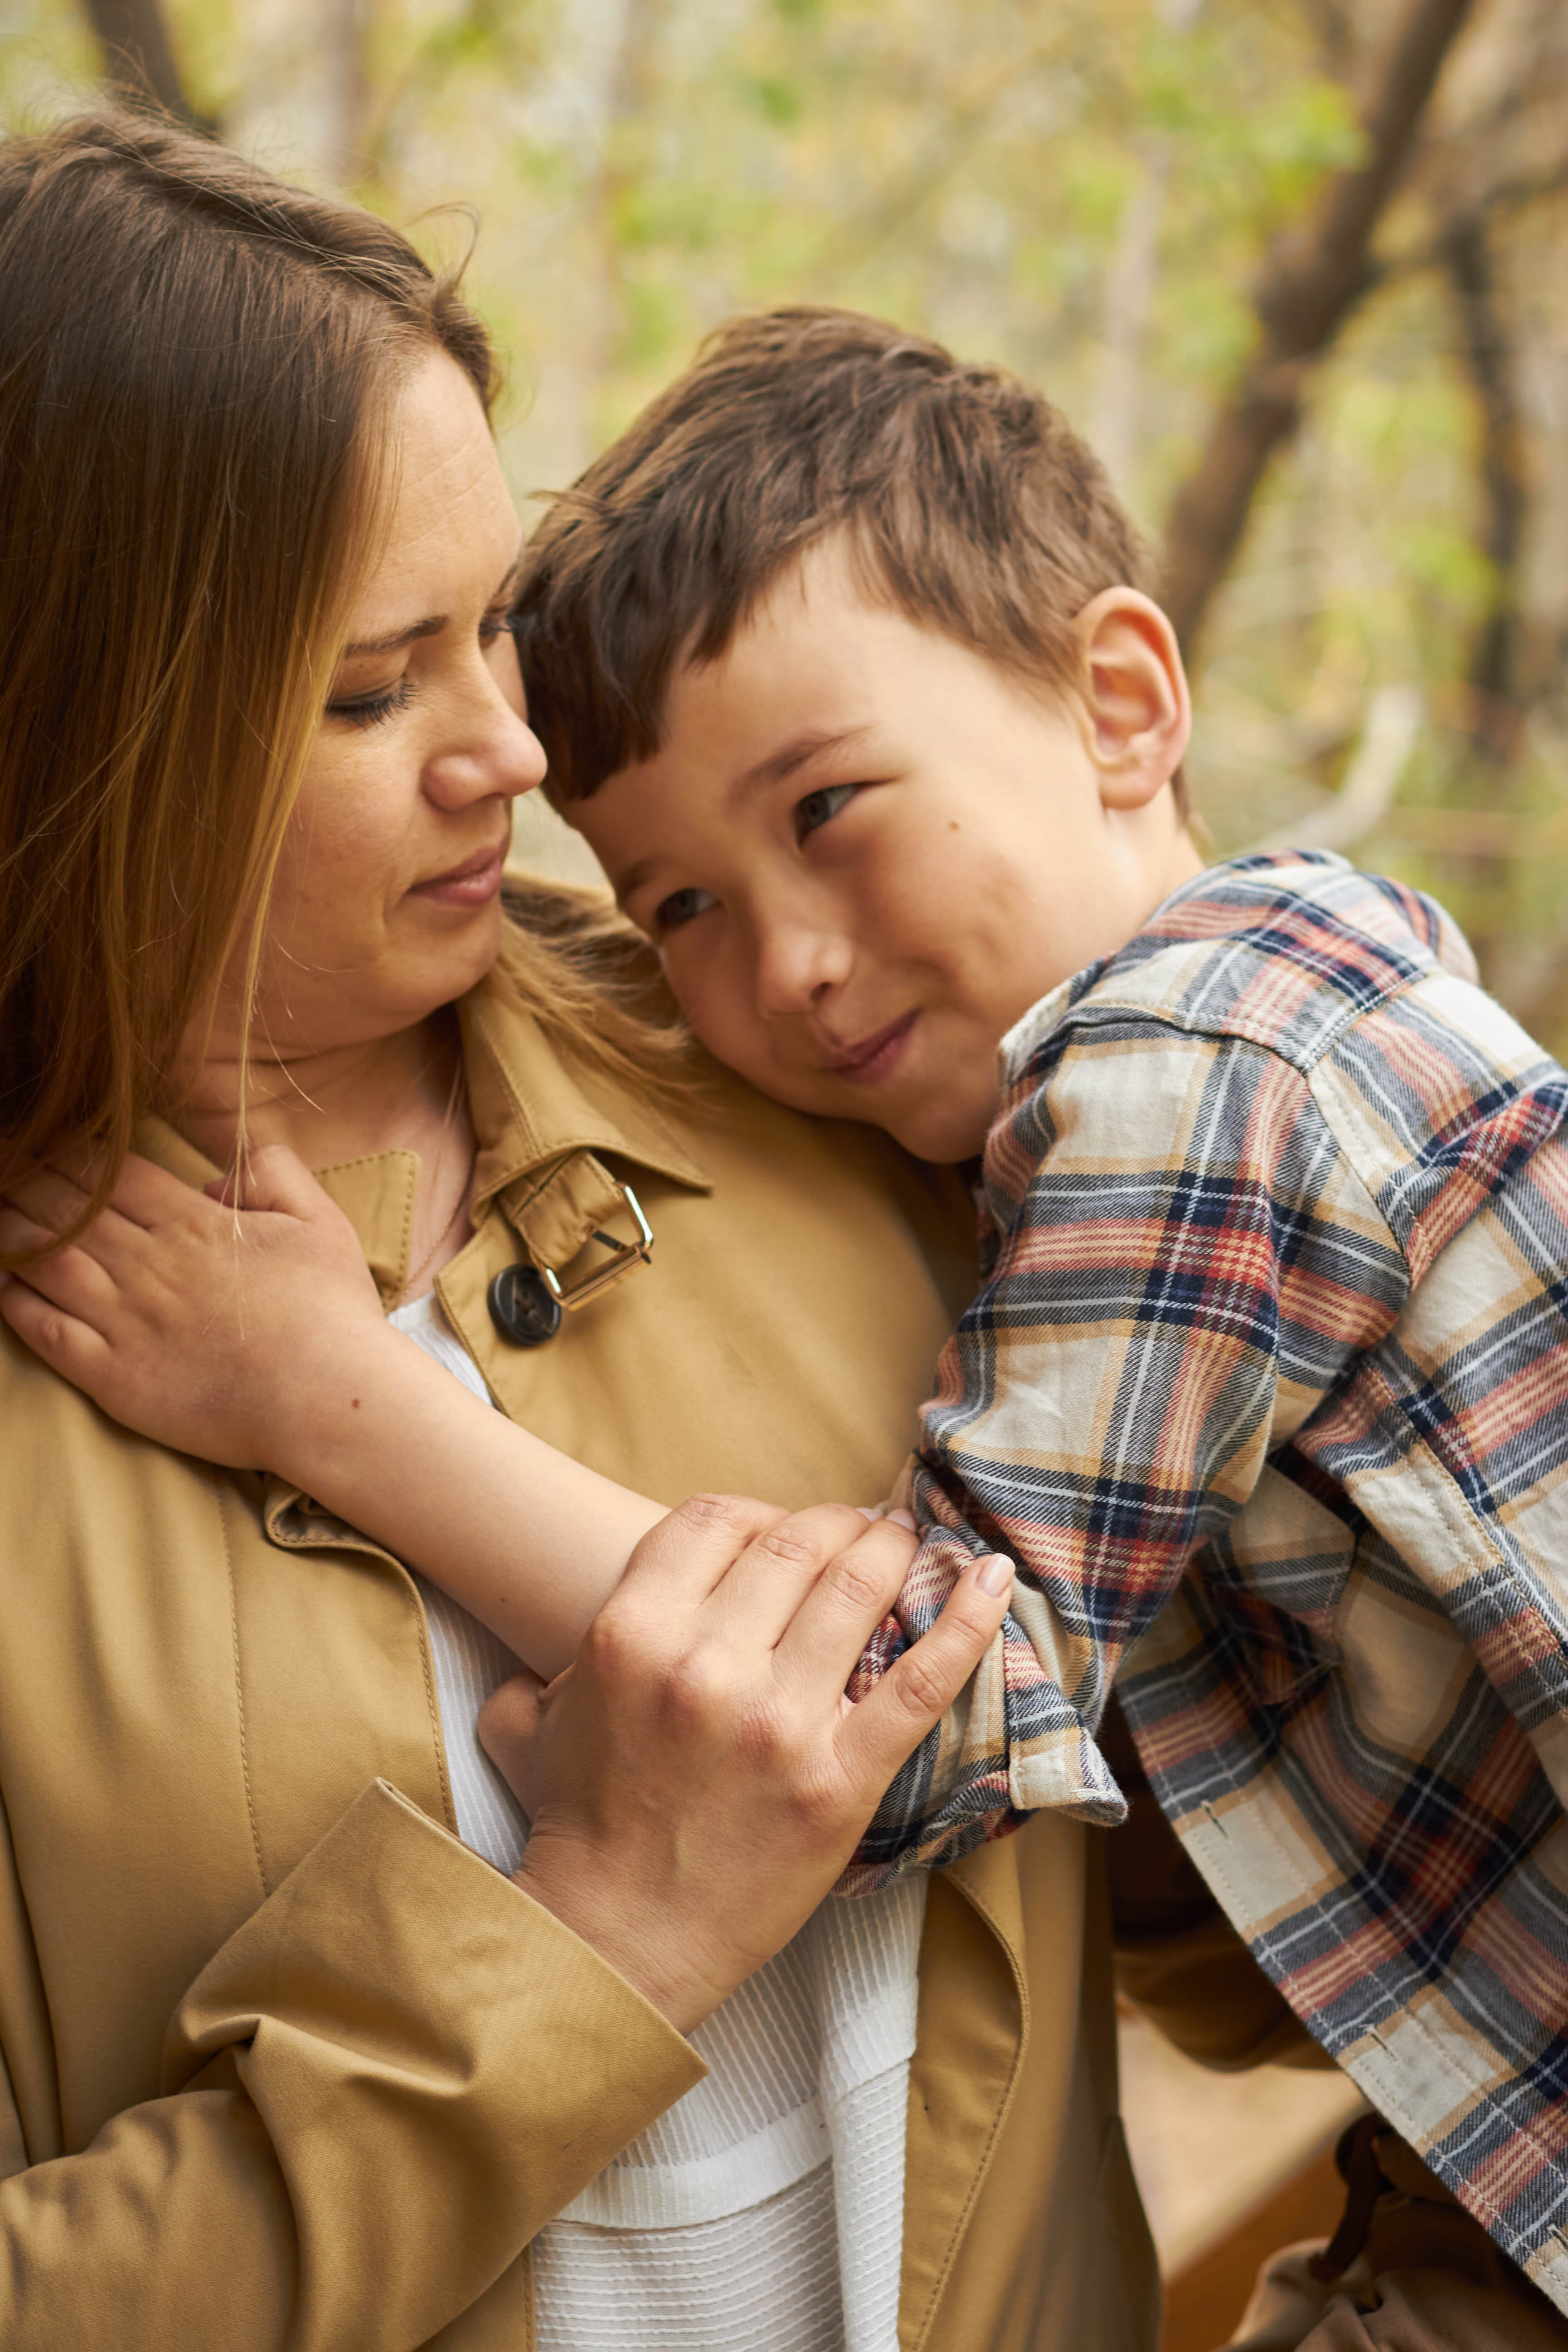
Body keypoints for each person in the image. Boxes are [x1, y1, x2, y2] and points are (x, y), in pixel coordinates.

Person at [20, 305, 1568, 2352]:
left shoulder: (1185, 1084)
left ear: (1124, 700)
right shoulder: (1316, 987)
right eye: (680, 907)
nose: (797, 970)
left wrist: (336, 1401)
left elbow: (929, 1713)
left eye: (829, 809)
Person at [0, 116, 1161, 2352]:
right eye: (370, 689)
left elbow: (1303, 1783)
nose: (514, 755)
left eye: (494, 637)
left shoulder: (837, 1062)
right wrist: (599, 1946)